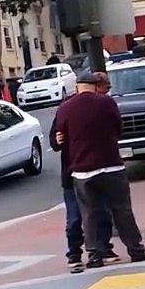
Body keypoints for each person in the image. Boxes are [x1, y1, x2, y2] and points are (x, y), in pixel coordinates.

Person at [53, 71, 145, 268]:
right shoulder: (107, 103)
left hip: (83, 170)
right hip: (112, 165)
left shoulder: (65, 108)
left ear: (77, 86)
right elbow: (118, 128)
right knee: (122, 210)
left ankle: (94, 256)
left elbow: (61, 134)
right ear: (95, 85)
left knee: (89, 214)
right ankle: (136, 250)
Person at [50, 93, 119, 273]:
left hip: (91, 169)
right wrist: (56, 141)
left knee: (101, 212)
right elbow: (54, 141)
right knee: (75, 218)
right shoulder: (63, 111)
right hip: (72, 173)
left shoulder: (94, 111)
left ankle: (103, 247)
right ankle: (74, 253)